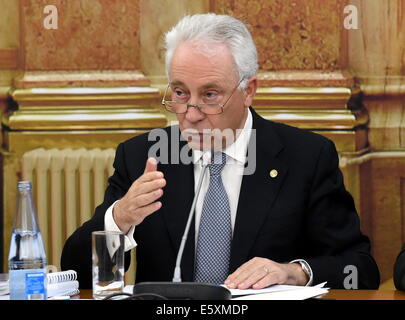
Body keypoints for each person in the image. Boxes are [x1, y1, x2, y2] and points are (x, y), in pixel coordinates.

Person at [61, 13, 380, 290]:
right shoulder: (142, 156)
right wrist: (118, 220)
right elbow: (77, 276)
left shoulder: (306, 158)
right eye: (180, 92)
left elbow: (360, 271)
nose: (191, 112)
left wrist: (295, 272)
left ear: (248, 91)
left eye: (210, 94)